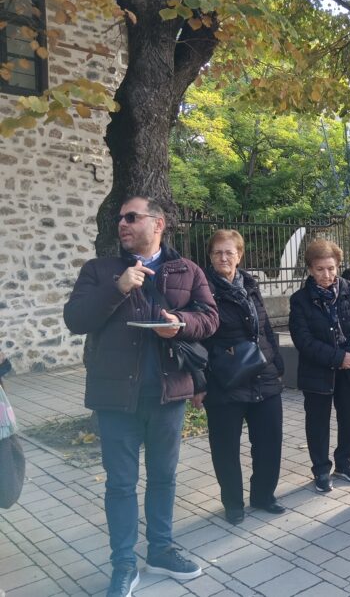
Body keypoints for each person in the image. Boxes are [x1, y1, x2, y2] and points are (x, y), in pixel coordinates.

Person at [63, 197, 219, 597]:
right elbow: (75, 319)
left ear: (158, 223)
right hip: (116, 398)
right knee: (121, 484)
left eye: (131, 217)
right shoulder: (99, 270)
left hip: (168, 395)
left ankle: (161, 550)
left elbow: (210, 318)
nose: (123, 223)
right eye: (120, 218)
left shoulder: (188, 269)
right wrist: (117, 288)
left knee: (164, 478)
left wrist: (180, 322)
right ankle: (123, 564)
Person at [200, 230, 285, 525]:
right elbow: (198, 337)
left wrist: (277, 361)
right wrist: (202, 379)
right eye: (217, 252)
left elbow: (265, 326)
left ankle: (263, 495)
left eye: (229, 252)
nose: (224, 257)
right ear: (210, 256)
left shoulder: (250, 285)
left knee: (269, 441)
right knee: (225, 447)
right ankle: (233, 502)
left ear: (239, 255)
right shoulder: (202, 289)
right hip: (225, 379)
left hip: (263, 374)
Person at [289, 240, 350, 493]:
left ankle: (345, 463)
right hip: (317, 371)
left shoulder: (347, 290)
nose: (327, 275)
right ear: (310, 269)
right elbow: (303, 340)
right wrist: (337, 357)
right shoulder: (300, 300)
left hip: (349, 370)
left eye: (331, 268)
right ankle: (321, 469)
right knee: (318, 423)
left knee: (349, 418)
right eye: (320, 269)